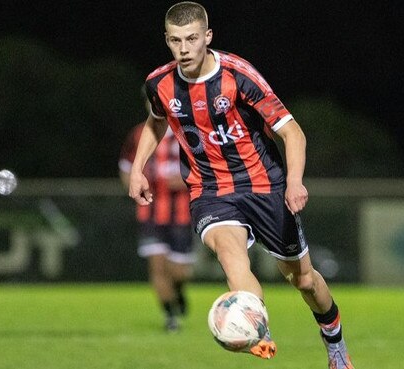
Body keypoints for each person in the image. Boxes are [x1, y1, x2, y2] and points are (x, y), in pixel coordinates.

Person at [129, 2, 355, 367]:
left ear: (208, 37)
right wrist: (139, 167)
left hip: (264, 185)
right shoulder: (160, 83)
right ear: (167, 41)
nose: (184, 49)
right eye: (175, 41)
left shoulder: (238, 75)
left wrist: (294, 182)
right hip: (210, 190)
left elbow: (292, 133)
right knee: (231, 256)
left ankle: (335, 343)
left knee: (304, 281)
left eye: (191, 39)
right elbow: (157, 121)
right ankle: (257, 330)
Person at [119, 93, 195, 332]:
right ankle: (171, 317)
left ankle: (179, 292)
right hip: (150, 213)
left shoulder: (190, 135)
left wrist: (185, 181)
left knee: (178, 271)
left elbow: (207, 170)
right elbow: (125, 167)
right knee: (157, 266)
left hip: (181, 214)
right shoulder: (139, 134)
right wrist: (133, 187)